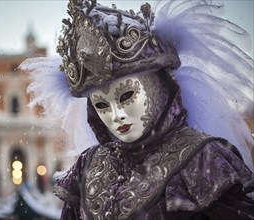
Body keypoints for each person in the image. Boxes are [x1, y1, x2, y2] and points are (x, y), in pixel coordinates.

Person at [20, 0, 254, 219]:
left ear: (158, 89)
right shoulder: (88, 165)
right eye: (101, 105)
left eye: (127, 95)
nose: (116, 115)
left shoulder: (202, 159)